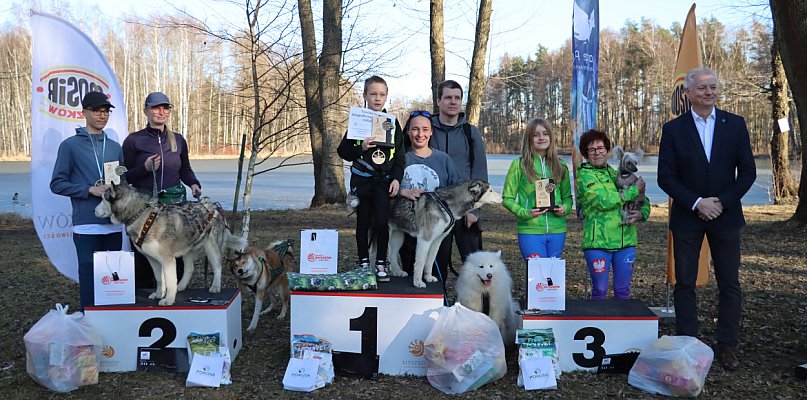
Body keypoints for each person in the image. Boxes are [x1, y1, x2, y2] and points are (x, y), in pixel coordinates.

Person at [657, 67, 756, 371]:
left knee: (729, 284)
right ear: (688, 93)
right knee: (685, 283)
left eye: (713, 87)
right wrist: (698, 202)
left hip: (726, 217)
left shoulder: (735, 125)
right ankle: (688, 344)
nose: (709, 92)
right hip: (688, 217)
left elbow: (748, 173)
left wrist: (721, 203)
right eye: (702, 88)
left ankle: (727, 347)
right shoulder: (673, 129)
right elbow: (666, 177)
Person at [50, 91, 124, 310]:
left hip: (112, 224)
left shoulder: (114, 147)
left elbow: (121, 182)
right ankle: (87, 330)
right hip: (87, 225)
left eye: (105, 112)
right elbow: (57, 183)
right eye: (97, 111)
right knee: (90, 282)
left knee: (114, 282)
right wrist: (88, 189)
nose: (102, 116)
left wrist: (119, 190)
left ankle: (112, 332)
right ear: (84, 113)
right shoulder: (70, 145)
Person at [123, 92, 202, 290]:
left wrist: (193, 183)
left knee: (177, 252)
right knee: (145, 252)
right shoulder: (134, 141)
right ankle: (144, 294)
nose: (161, 112)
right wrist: (145, 169)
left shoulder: (178, 140)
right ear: (146, 110)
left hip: (175, 207)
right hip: (145, 210)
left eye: (165, 108)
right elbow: (125, 178)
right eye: (156, 107)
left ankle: (176, 295)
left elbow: (185, 169)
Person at [337, 76, 405, 282]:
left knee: (382, 223)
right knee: (363, 223)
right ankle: (363, 262)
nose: (377, 98)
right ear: (365, 95)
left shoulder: (392, 124)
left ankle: (381, 264)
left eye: (382, 94)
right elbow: (343, 151)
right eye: (373, 94)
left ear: (386, 97)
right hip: (362, 182)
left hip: (383, 183)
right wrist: (361, 147)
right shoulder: (358, 122)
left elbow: (400, 157)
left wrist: (396, 179)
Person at [576, 129, 649, 301]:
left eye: (601, 148)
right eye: (591, 150)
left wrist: (641, 214)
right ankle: (595, 326)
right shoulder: (584, 175)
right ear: (585, 154)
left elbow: (643, 200)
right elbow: (604, 201)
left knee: (622, 291)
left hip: (626, 241)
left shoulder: (617, 173)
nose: (597, 153)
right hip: (598, 243)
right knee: (600, 290)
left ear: (608, 151)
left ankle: (622, 327)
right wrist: (632, 191)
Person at [428, 80, 488, 271]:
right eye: (448, 97)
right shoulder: (427, 130)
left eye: (457, 98)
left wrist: (475, 209)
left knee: (475, 267)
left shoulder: (470, 132)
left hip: (465, 208)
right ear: (438, 100)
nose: (453, 102)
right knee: (436, 266)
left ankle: (474, 302)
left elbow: (480, 172)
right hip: (435, 209)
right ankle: (438, 300)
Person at [397, 110, 461, 287]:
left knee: (436, 277)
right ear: (408, 132)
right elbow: (388, 186)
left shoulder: (443, 159)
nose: (420, 134)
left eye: (425, 129)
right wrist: (404, 192)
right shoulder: (400, 159)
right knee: (411, 277)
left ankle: (439, 306)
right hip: (410, 227)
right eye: (415, 129)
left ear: (431, 132)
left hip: (439, 229)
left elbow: (456, 192)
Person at [502, 118, 573, 260]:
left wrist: (564, 209)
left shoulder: (561, 166)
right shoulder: (519, 165)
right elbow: (507, 198)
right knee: (536, 277)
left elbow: (567, 198)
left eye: (545, 134)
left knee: (551, 277)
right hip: (530, 230)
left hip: (557, 230)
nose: (541, 138)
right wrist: (525, 213)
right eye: (536, 135)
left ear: (551, 137)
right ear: (529, 139)